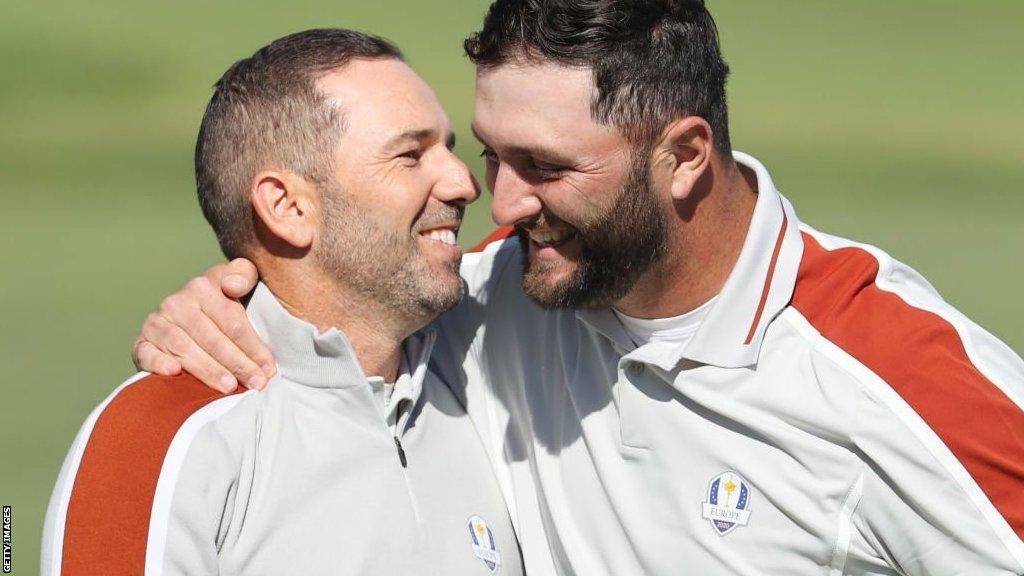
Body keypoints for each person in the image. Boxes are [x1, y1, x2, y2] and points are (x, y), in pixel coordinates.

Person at [133, 1, 1024, 575]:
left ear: (682, 159)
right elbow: (339, 309)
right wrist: (221, 305)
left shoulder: (900, 377)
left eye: (546, 168)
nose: (497, 199)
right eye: (491, 152)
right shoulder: (485, 302)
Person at [41, 29, 524, 576]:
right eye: (410, 155)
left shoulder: (490, 369)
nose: (464, 183)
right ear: (288, 207)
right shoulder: (154, 438)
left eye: (453, 150)